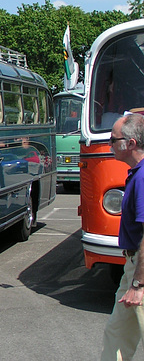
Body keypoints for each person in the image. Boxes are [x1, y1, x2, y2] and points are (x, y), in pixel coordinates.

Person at [102, 113, 144, 360]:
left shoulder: (142, 177)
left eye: (113, 139)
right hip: (133, 270)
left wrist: (139, 285)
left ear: (130, 144)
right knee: (116, 334)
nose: (109, 144)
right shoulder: (136, 173)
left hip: (139, 272)